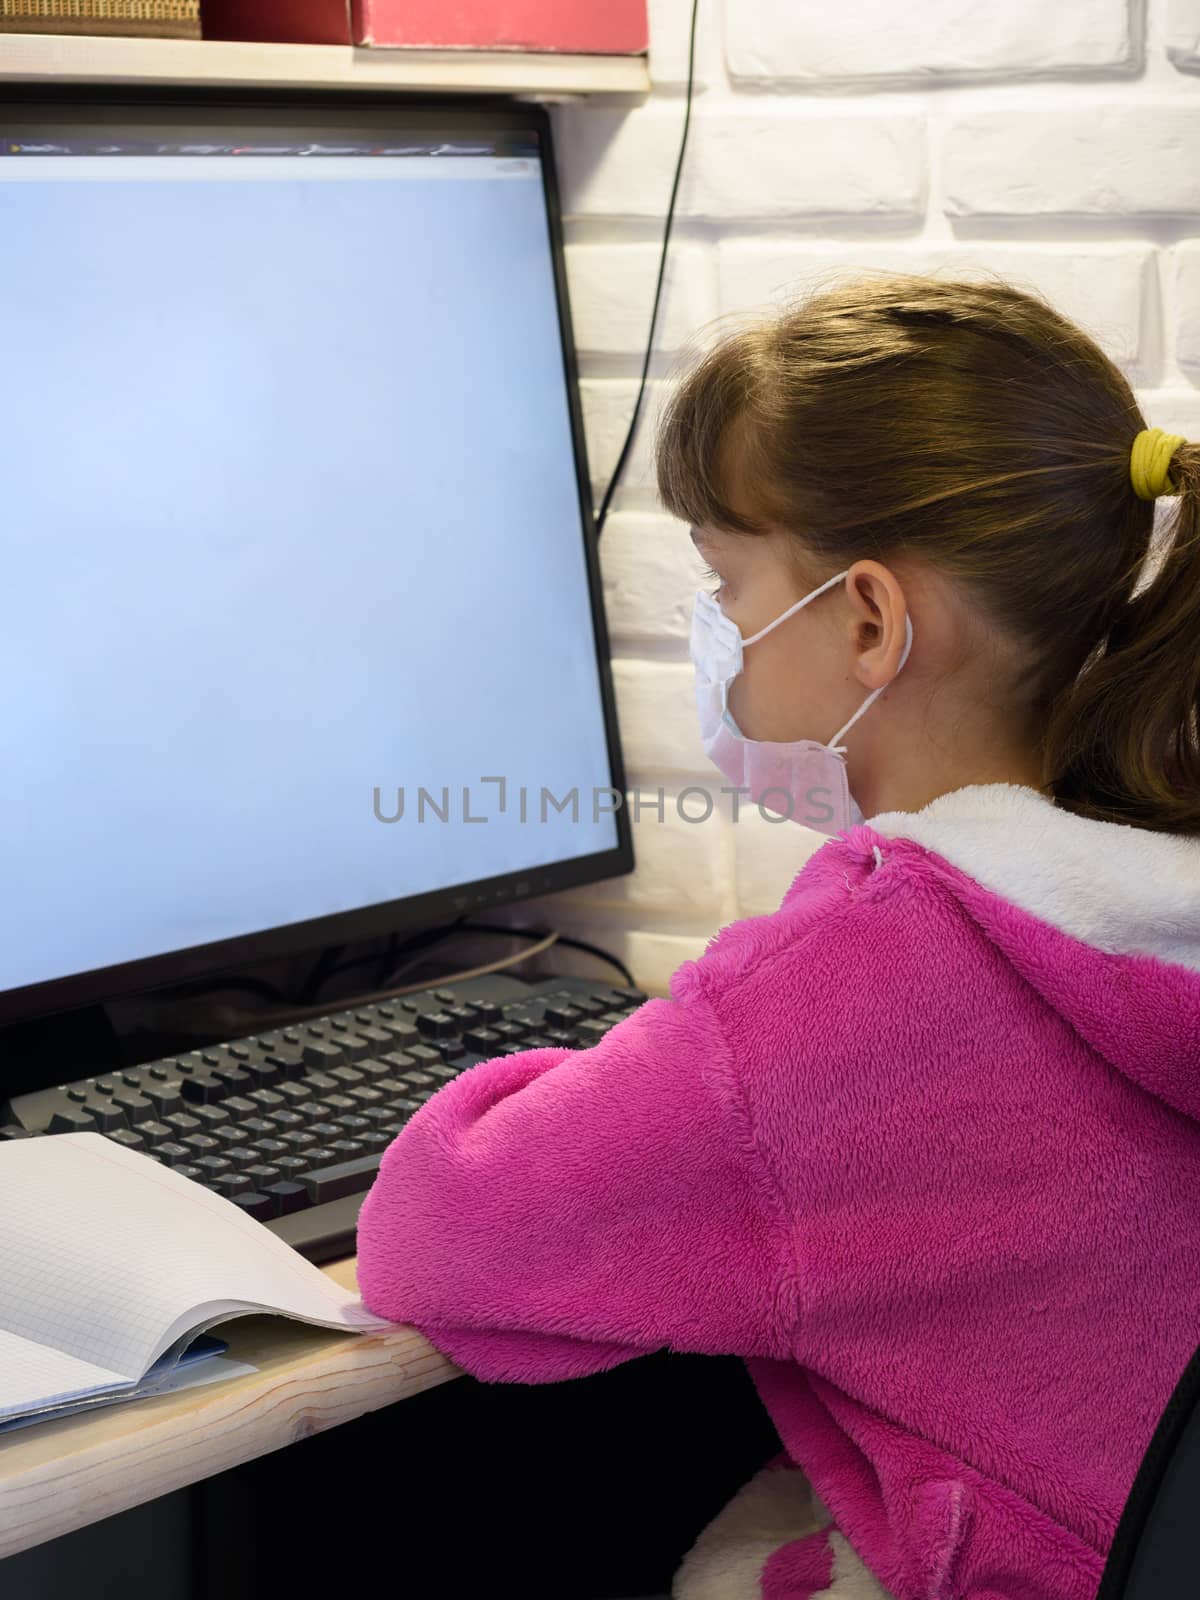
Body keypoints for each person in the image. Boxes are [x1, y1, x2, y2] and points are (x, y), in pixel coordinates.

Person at [354, 271, 1200, 1600]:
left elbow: (439, 1235)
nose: (718, 638)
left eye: (725, 584)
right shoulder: (1149, 898)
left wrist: (626, 1063)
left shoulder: (846, 992)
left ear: (869, 621)